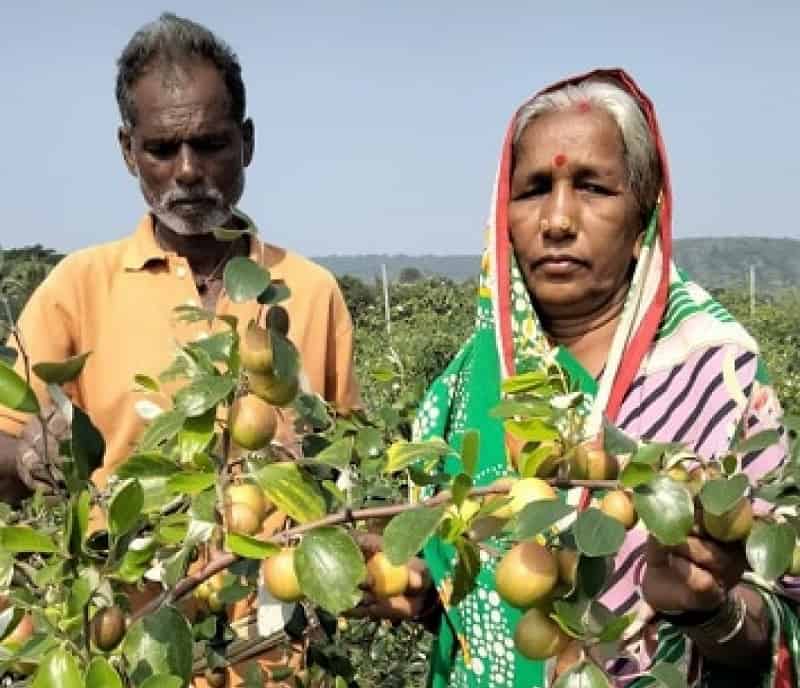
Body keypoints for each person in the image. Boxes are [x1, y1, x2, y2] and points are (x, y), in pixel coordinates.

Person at [400, 69, 797, 687]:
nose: (557, 220)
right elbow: (466, 616)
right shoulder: (457, 394)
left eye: (592, 187)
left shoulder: (718, 375)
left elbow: (782, 622)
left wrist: (710, 610)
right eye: (533, 189)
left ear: (644, 212)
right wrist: (419, 590)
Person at [0, 13, 359, 687]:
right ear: (127, 151)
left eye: (211, 144)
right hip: (117, 654)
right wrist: (25, 457)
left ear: (246, 143)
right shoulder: (75, 288)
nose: (189, 172)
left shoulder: (309, 293)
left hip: (267, 662)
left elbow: (342, 467)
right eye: (163, 148)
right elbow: (2, 449)